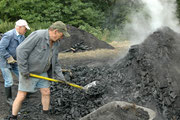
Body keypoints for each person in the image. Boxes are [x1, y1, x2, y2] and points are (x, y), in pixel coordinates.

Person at [5, 21, 70, 120]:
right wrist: (24, 70)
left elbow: (55, 61)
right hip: (29, 72)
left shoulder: (56, 43)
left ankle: (45, 115)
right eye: (61, 35)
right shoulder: (38, 36)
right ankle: (13, 117)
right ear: (56, 31)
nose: (62, 38)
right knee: (22, 95)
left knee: (46, 91)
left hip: (42, 72)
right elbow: (21, 50)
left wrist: (61, 77)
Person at [0, 19, 30, 106]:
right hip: (5, 62)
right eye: (25, 28)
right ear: (20, 27)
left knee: (22, 76)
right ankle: (9, 99)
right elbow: (1, 48)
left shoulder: (22, 36)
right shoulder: (9, 35)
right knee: (9, 81)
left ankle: (25, 93)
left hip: (15, 61)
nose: (26, 30)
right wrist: (8, 57)